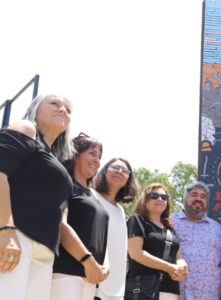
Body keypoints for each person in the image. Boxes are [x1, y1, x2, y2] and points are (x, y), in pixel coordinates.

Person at [0, 94, 74, 299]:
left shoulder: (56, 158)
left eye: (67, 109)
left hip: (44, 252)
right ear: (35, 109)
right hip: (14, 238)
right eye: (54, 103)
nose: (62, 110)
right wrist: (6, 231)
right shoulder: (26, 129)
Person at [50, 134, 109, 300]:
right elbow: (61, 225)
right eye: (92, 153)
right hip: (65, 274)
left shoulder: (95, 197)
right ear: (75, 153)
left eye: (99, 156)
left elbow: (102, 238)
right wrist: (88, 261)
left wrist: (104, 267)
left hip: (91, 278)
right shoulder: (65, 183)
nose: (97, 160)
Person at [127, 183, 188, 300]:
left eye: (164, 197)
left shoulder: (170, 228)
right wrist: (170, 268)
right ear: (145, 199)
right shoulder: (137, 220)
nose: (160, 199)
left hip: (169, 289)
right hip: (142, 288)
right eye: (154, 195)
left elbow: (178, 256)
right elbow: (136, 254)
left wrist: (182, 265)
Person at [93, 157, 139, 300]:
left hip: (117, 286)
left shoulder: (120, 210)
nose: (119, 171)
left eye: (125, 170)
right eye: (115, 167)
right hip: (94, 279)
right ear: (104, 170)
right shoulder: (90, 196)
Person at [173, 181, 221, 300]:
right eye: (194, 195)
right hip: (174, 292)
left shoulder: (217, 230)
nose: (199, 199)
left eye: (203, 197)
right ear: (185, 198)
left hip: (209, 294)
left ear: (207, 203)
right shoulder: (170, 223)